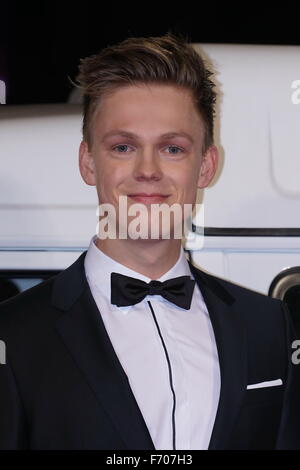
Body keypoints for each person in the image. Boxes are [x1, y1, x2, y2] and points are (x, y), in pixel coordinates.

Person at [0, 33, 299, 451]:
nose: (148, 170)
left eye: (172, 148)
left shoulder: (270, 325)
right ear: (88, 162)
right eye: (123, 146)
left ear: (206, 166)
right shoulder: (14, 334)